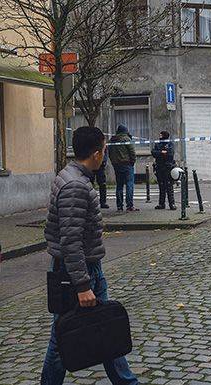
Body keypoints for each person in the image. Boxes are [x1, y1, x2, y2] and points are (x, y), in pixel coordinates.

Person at [41, 126, 138, 385]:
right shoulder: (75, 185)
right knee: (62, 340)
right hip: (77, 272)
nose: (105, 155)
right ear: (96, 153)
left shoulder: (71, 176)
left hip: (82, 268)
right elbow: (70, 240)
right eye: (104, 150)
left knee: (106, 328)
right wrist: (83, 285)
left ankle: (127, 381)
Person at [109, 125, 139, 212]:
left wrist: (114, 163)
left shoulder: (112, 140)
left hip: (117, 165)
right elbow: (132, 152)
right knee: (129, 184)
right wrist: (132, 162)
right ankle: (129, 205)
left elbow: (110, 153)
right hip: (127, 164)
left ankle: (119, 206)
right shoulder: (126, 139)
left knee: (119, 186)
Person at [152, 131, 176, 210]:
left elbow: (170, 154)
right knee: (161, 187)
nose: (160, 136)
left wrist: (161, 153)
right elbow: (153, 152)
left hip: (167, 167)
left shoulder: (170, 144)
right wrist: (162, 152)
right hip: (159, 167)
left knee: (169, 187)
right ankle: (161, 204)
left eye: (161, 135)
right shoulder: (158, 144)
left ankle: (172, 204)